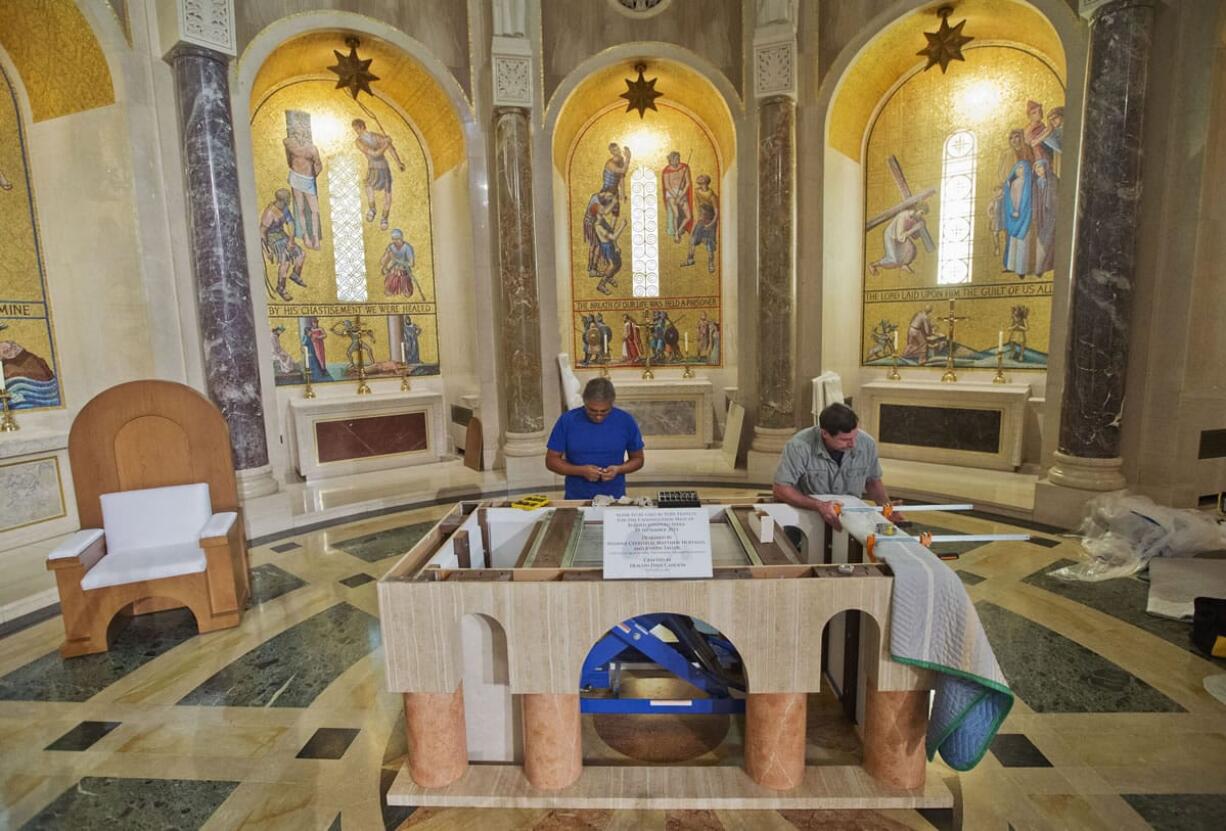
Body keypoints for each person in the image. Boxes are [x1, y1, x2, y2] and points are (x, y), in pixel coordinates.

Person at [772, 403, 899, 531]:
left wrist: (887, 508)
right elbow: (781, 489)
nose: (853, 444)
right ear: (825, 433)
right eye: (845, 439)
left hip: (850, 518)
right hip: (808, 517)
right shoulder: (799, 446)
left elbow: (872, 482)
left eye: (855, 436)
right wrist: (819, 505)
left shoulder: (867, 443)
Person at [546, 377, 645, 500]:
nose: (598, 417)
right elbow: (551, 461)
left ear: (612, 403)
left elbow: (638, 459)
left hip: (614, 498)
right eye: (592, 411)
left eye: (604, 411)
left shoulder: (625, 421)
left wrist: (619, 469)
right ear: (584, 402)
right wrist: (581, 471)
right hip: (576, 498)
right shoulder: (567, 421)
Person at [353, 118, 406, 231]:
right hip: (373, 167)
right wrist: (386, 144)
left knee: (387, 193)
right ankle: (372, 209)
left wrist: (398, 162)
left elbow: (391, 149)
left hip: (384, 167)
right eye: (355, 130)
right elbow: (375, 154)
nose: (356, 132)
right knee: (368, 186)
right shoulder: (359, 141)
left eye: (357, 129)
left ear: (362, 127)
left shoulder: (375, 136)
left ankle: (384, 218)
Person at [283, 111, 323, 249]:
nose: (299, 132)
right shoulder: (289, 143)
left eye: (301, 129)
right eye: (296, 129)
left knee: (314, 210)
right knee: (299, 208)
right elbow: (290, 158)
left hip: (308, 180)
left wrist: (312, 176)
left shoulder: (312, 149)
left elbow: (319, 165)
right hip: (296, 178)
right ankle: (306, 235)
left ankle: (316, 238)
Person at [260, 189, 307, 301]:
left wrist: (291, 239)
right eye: (288, 199)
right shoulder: (270, 212)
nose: (290, 201)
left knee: (301, 254)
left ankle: (295, 275)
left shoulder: (285, 209)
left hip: (283, 236)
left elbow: (290, 223)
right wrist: (267, 251)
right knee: (285, 261)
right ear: (283, 200)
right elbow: (262, 232)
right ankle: (281, 287)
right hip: (272, 238)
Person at [684, 174, 719, 272]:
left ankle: (711, 264)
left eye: (701, 177)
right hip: (701, 220)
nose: (699, 177)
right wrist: (696, 222)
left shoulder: (711, 196)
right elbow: (697, 209)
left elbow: (716, 213)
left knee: (709, 244)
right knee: (692, 240)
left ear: (706, 181)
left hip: (710, 221)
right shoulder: (697, 191)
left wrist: (710, 225)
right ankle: (690, 259)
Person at [661, 150, 693, 243]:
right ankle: (676, 234)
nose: (677, 161)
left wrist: (681, 195)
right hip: (671, 194)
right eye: (674, 159)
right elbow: (667, 186)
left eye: (678, 159)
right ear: (670, 160)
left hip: (682, 193)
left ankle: (678, 230)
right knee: (677, 214)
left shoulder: (684, 168)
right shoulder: (667, 171)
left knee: (689, 216)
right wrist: (676, 197)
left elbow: (688, 183)